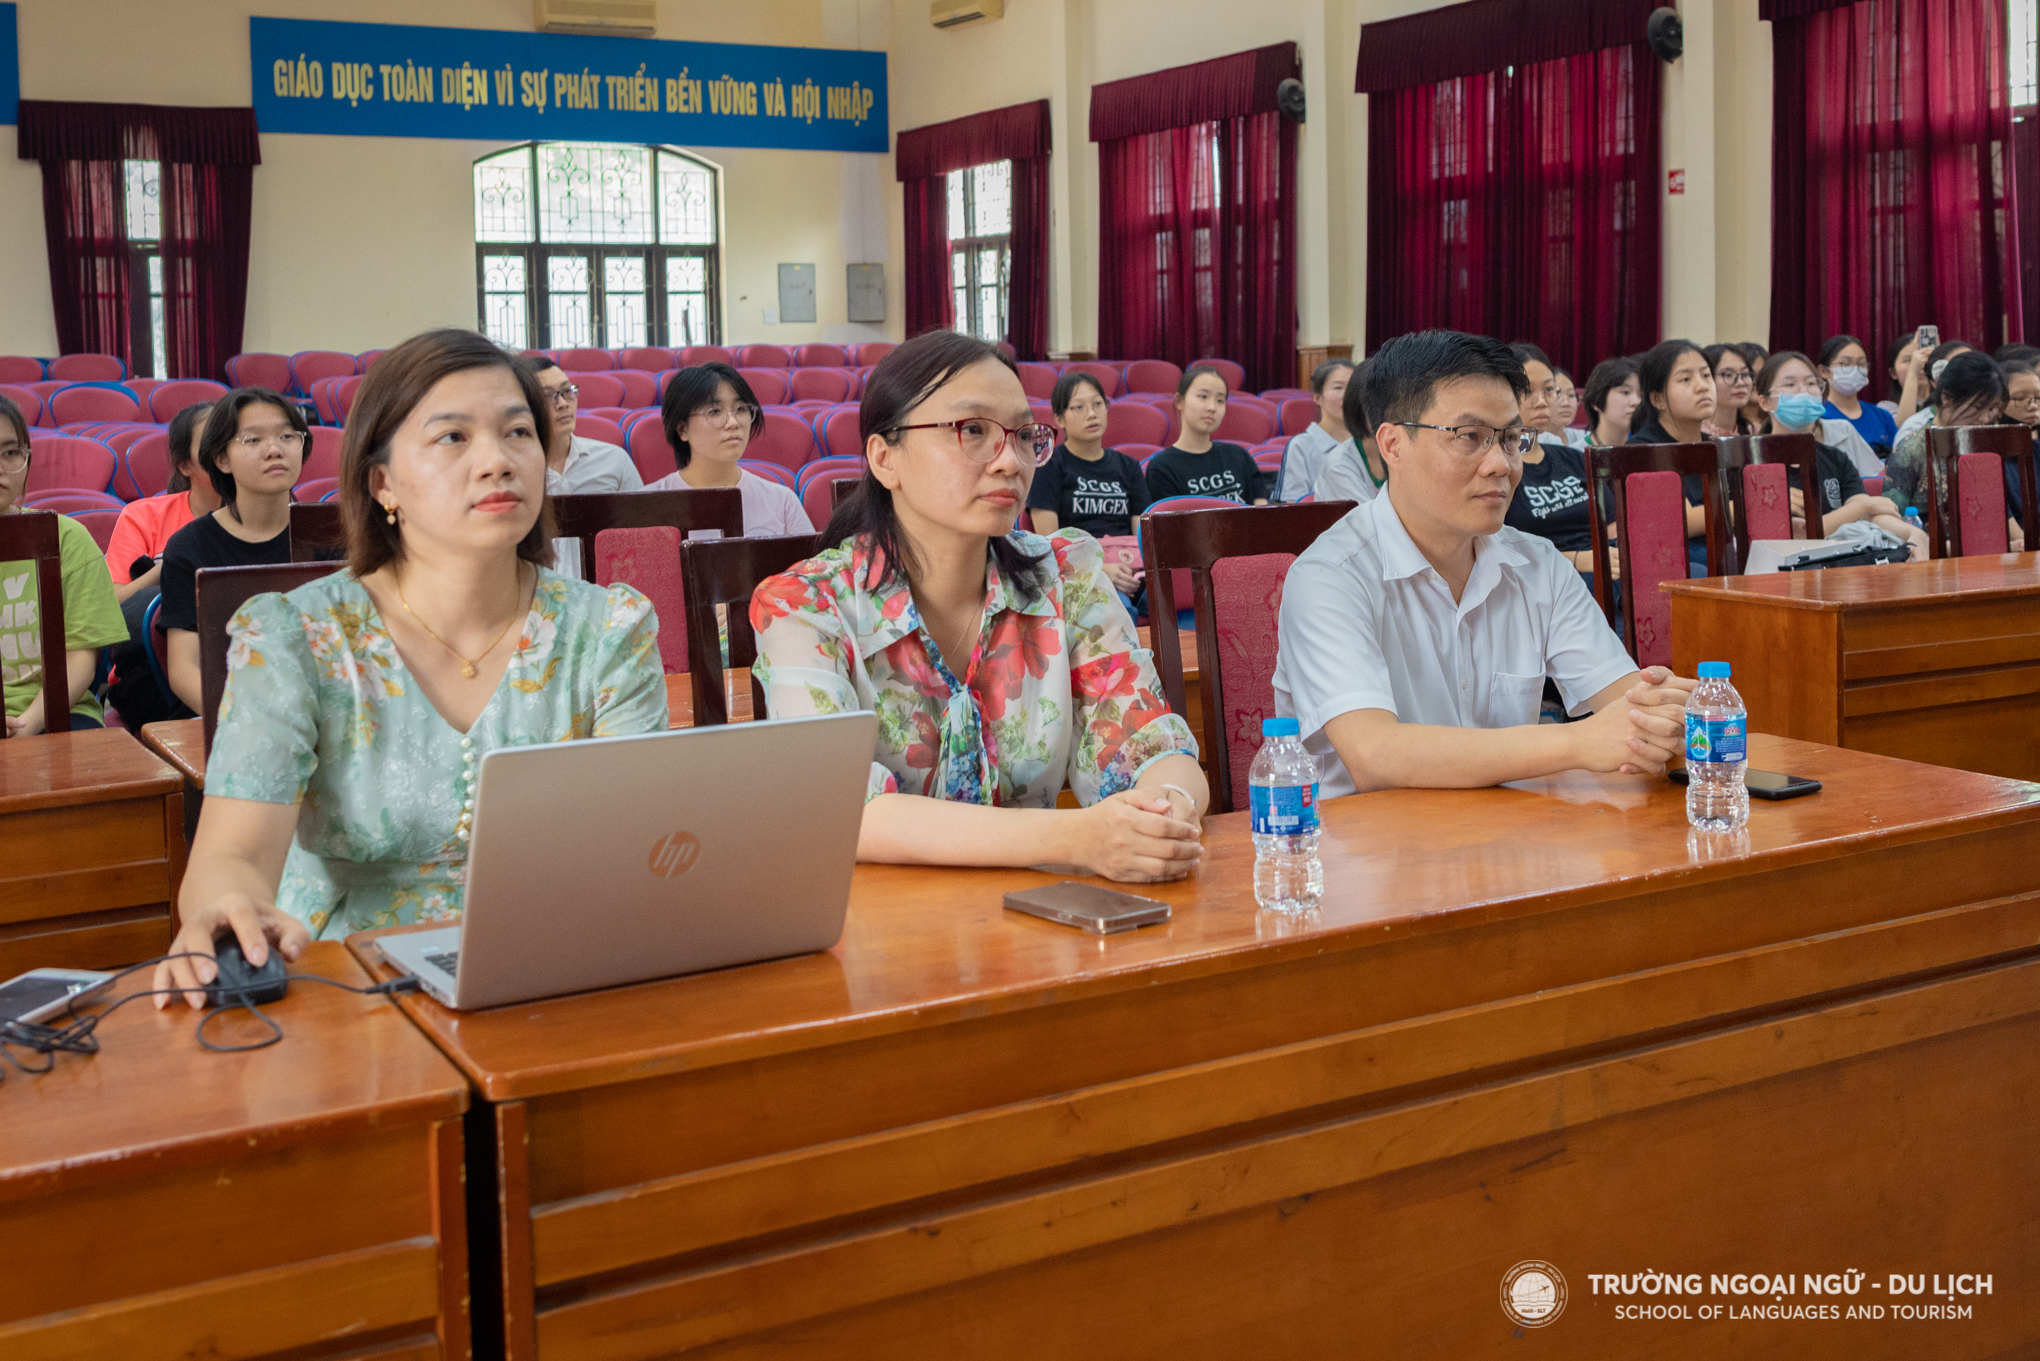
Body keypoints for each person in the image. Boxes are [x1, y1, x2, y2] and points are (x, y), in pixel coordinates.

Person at [153, 329, 668, 1004]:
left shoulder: (609, 630)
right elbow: (236, 852)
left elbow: (644, 841)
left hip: (555, 968)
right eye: (453, 437)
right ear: (382, 482)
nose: (497, 460)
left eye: (519, 433)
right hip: (347, 982)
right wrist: (228, 908)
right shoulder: (297, 637)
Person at [749, 330, 1209, 884]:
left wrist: (1170, 806)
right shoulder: (806, 604)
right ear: (884, 457)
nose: (1009, 461)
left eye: (1022, 435)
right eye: (972, 431)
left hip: (1042, 925)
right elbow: (837, 807)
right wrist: (1079, 839)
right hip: (884, 933)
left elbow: (1149, 737)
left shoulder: (1065, 574)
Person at [1269, 329, 1694, 797]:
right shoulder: (1330, 576)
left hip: (1510, 838)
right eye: (1470, 437)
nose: (1502, 465)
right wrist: (1578, 740)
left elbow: (1627, 702)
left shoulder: (1539, 565)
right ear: (1392, 445)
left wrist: (1664, 713)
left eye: (1511, 439)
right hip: (1370, 852)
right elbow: (1375, 754)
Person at [159, 388, 309, 714]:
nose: (274, 449)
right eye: (253, 440)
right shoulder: (189, 546)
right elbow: (184, 670)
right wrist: (242, 720)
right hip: (230, 714)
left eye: (287, 436)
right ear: (222, 459)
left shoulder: (333, 533)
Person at [0, 395, 126, 735]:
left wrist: (25, 727)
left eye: (10, 453)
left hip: (56, 713)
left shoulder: (66, 539)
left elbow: (81, 660)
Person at [1754, 352, 1928, 559]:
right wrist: (1863, 505)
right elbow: (1801, 532)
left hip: (1839, 563)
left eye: (1811, 384)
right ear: (1764, 402)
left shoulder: (1835, 457)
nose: (1803, 392)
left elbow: (1868, 514)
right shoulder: (1752, 463)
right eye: (1790, 385)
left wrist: (1912, 532)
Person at [642, 363, 814, 535]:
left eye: (740, 409)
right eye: (715, 411)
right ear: (682, 429)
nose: (733, 423)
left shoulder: (781, 501)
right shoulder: (646, 504)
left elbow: (814, 562)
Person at [1026, 370, 1151, 604]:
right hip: (1078, 574)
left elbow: (1143, 537)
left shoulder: (1129, 467)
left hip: (1132, 570)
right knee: (1119, 607)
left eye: (1098, 404)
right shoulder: (1049, 466)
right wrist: (1099, 570)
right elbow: (1049, 541)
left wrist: (1137, 569)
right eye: (1079, 407)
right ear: (1059, 419)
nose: (1092, 414)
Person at [1883, 351, 2023, 551]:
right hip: (1929, 558)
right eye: (1978, 407)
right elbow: (1889, 523)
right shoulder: (1912, 449)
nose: (1985, 418)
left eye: (1992, 409)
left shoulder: (1986, 443)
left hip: (1985, 554)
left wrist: (2020, 544)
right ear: (1946, 397)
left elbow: (2000, 511)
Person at [106, 402, 221, 604]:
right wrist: (171, 565)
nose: (226, 452)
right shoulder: (142, 515)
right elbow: (114, 605)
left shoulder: (268, 514)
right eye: (213, 442)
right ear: (185, 465)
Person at [1504, 350, 1599, 578]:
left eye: (1548, 390)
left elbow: (1611, 522)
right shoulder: (1500, 468)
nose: (1541, 402)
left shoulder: (1573, 457)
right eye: (1527, 391)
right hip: (1546, 575)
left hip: (1601, 562)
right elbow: (1504, 547)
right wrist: (1577, 559)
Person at [1628, 339, 1719, 570]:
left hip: (1720, 547)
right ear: (1658, 399)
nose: (1702, 386)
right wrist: (1744, 505)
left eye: (1706, 375)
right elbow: (1679, 521)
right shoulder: (1642, 451)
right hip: (1666, 559)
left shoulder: (1717, 447)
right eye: (1686, 379)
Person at [1143, 366, 1268, 505]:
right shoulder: (1162, 468)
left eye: (1220, 400)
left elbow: (1262, 515)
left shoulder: (1239, 456)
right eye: (1203, 396)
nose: (1212, 407)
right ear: (1179, 401)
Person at [523, 357, 642, 495]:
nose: (563, 404)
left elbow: (642, 514)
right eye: (547, 396)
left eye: (567, 391)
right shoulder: (515, 470)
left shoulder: (615, 460)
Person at [1274, 359, 1355, 501]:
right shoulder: (1300, 446)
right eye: (1338, 388)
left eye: (1353, 388)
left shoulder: (1366, 442)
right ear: (1318, 398)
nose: (1347, 395)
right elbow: (1295, 505)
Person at [1315, 357, 1386, 503]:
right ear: (1357, 408)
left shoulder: (1406, 454)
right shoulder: (1339, 464)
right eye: (1376, 407)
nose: (1388, 416)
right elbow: (1369, 522)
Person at [1816, 335, 1899, 454]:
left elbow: (1899, 460)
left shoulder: (1882, 416)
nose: (1855, 370)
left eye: (1861, 364)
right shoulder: (1819, 416)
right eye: (1845, 364)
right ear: (1824, 371)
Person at [1892, 340, 1978, 449]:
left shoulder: (1988, 419)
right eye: (1957, 370)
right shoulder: (1915, 429)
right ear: (1936, 380)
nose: (1968, 376)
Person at [1581, 357, 1642, 448]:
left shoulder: (1646, 452)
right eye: (1625, 392)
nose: (1636, 402)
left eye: (1641, 395)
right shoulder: (1575, 454)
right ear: (1596, 401)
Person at [1701, 343, 1754, 437]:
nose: (1741, 383)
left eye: (1745, 374)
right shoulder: (1694, 435)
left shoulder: (1754, 432)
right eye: (1728, 375)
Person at [1548, 365, 1589, 449]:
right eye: (1557, 394)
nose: (1566, 403)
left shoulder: (1581, 436)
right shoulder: (1532, 441)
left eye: (1571, 395)